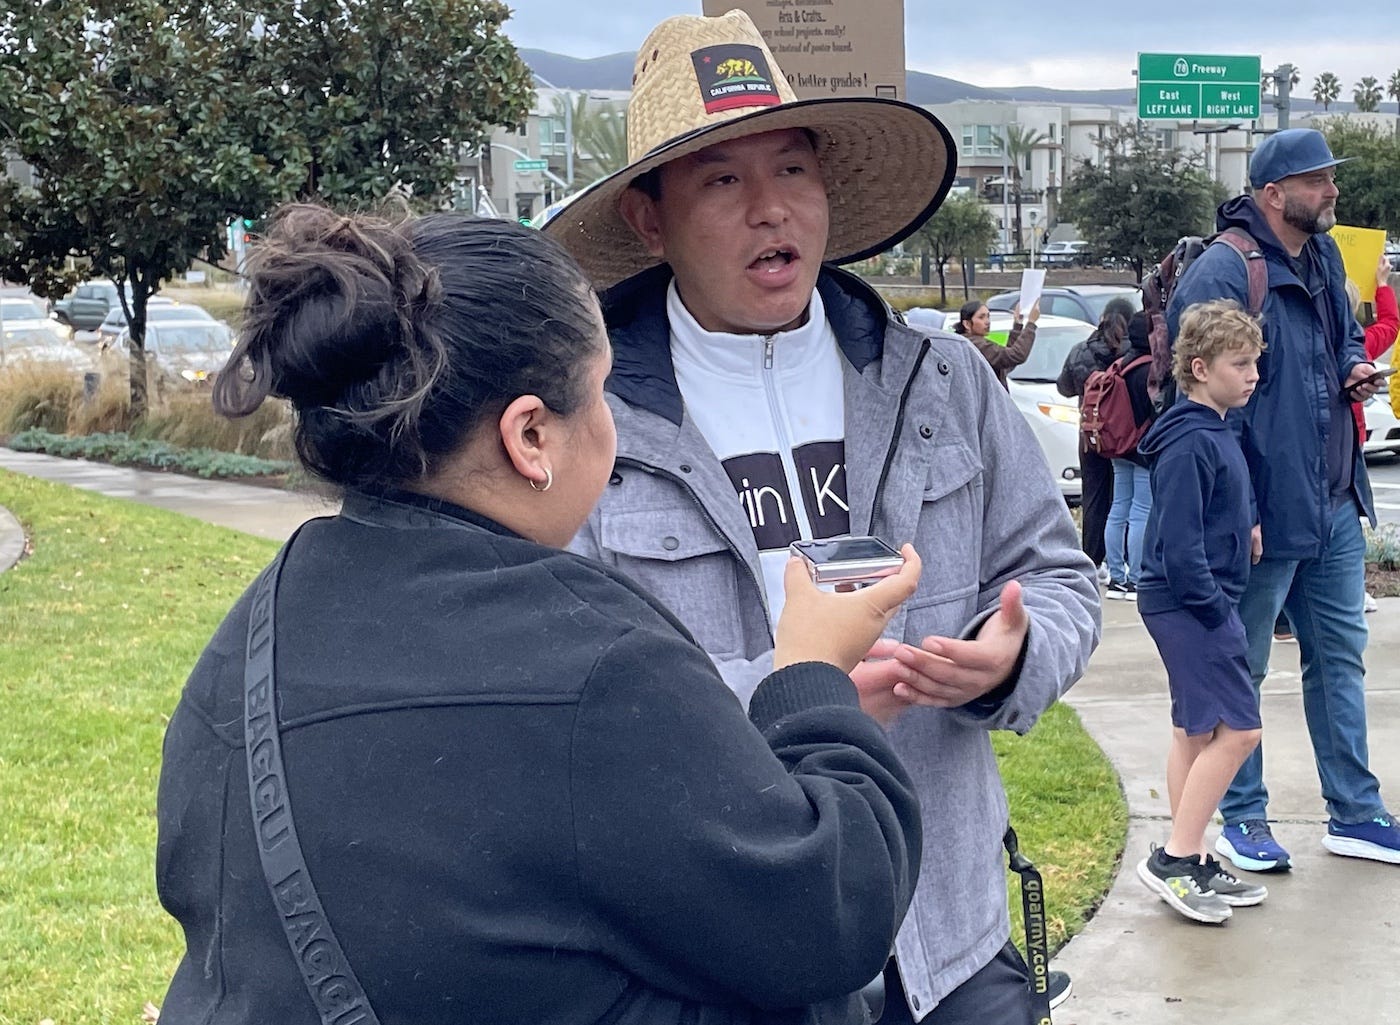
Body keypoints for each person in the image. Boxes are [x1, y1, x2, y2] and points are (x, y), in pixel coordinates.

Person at [155, 205, 933, 1024]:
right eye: (600, 394)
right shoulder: (596, 661)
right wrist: (810, 677)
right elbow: (832, 915)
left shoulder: (248, 638)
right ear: (531, 434)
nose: (609, 423)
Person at [547, 11, 1100, 1023]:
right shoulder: (586, 429)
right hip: (728, 953)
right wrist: (794, 689)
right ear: (647, 218)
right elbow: (568, 694)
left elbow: (1059, 575)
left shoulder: (943, 380)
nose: (770, 210)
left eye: (791, 169)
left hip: (948, 936)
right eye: (720, 180)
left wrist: (1007, 657)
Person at [1167, 127, 1400, 871]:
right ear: (1274, 193)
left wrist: (1357, 365)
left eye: (1332, 177)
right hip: (1259, 519)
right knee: (1246, 668)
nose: (1333, 191)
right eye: (1319, 180)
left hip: (1332, 498)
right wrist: (1242, 514)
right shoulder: (1223, 271)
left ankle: (1356, 813)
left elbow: (1340, 344)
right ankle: (1242, 816)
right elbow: (1200, 403)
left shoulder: (1326, 256)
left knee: (1340, 659)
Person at [1135, 299, 1269, 924]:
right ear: (1199, 366)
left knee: (1195, 730)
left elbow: (1211, 510)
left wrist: (1245, 524)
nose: (1252, 375)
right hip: (1189, 602)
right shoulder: (1189, 441)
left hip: (1191, 598)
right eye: (1239, 364)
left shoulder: (1212, 426)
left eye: (1254, 363)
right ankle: (1176, 857)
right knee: (1240, 730)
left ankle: (1187, 853)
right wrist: (1217, 611)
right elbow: (1179, 543)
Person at [1057, 297, 1136, 573]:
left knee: (1092, 495)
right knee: (1123, 497)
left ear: (1102, 316)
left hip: (1090, 433)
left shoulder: (1081, 350)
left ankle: (1092, 557)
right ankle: (1121, 560)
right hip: (1124, 435)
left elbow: (1064, 387)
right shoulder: (1132, 353)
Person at [1101, 311, 1157, 600]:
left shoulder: (1119, 364)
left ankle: (1115, 576)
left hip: (1117, 445)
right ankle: (1136, 577)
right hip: (1143, 448)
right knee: (1141, 512)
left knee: (1118, 507)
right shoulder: (1150, 369)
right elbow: (1155, 410)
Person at [950, 298, 1041, 389]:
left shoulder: (967, 342)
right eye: (981, 317)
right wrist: (1031, 323)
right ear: (966, 324)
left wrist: (1018, 324)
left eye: (988, 316)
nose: (987, 322)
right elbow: (1016, 355)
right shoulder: (975, 345)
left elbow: (1005, 362)